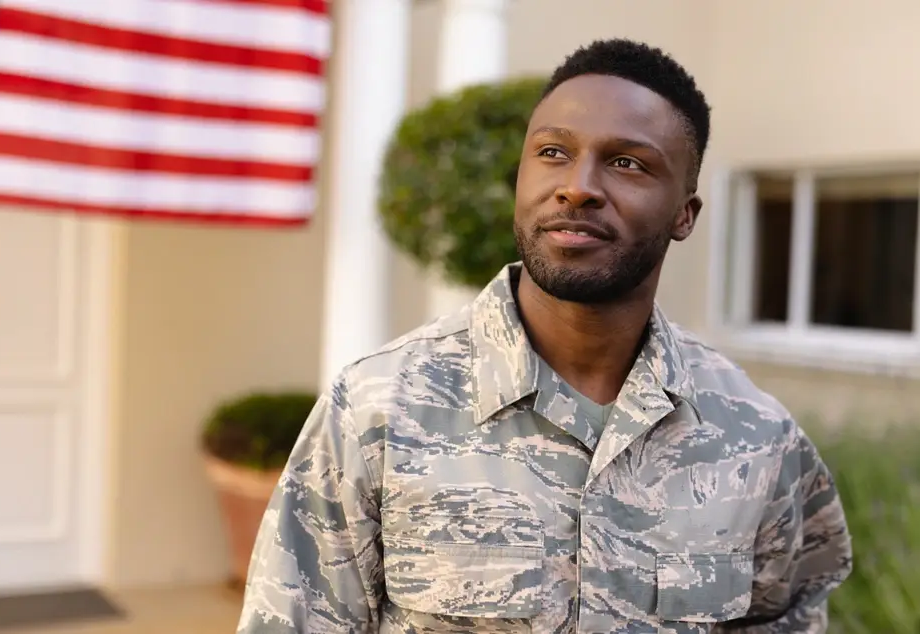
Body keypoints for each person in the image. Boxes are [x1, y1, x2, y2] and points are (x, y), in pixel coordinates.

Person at [237, 38, 852, 633]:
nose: (578, 185)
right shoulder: (375, 409)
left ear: (683, 215)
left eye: (627, 163)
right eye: (553, 152)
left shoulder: (757, 437)